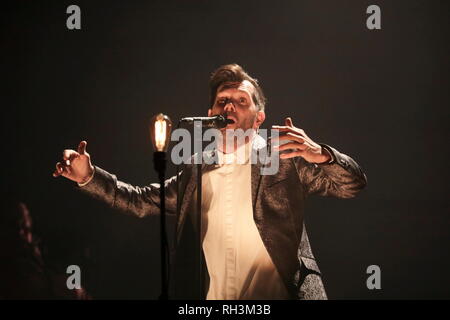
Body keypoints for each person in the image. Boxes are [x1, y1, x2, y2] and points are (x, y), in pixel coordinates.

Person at [53, 64, 367, 300]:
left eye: (241, 101)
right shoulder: (196, 171)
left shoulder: (283, 157)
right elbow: (138, 201)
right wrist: (89, 178)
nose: (229, 106)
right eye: (222, 101)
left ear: (259, 117)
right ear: (209, 114)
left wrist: (321, 154)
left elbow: (352, 184)